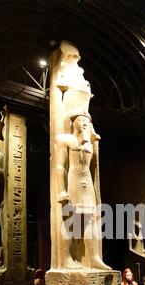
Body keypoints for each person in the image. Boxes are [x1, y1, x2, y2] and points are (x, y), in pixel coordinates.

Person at [54, 111, 110, 270]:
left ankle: (94, 257)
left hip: (88, 185)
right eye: (81, 119)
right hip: (73, 181)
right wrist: (61, 190)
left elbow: (94, 169)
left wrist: (93, 139)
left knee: (91, 221)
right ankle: (66, 258)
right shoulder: (64, 139)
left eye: (87, 120)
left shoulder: (90, 144)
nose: (84, 122)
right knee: (70, 220)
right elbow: (60, 166)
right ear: (73, 122)